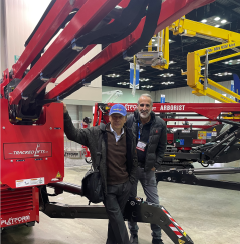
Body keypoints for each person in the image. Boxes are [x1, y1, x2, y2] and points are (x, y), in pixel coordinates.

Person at [63, 103, 138, 244]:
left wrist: (131, 181)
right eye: (114, 116)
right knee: (117, 219)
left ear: (125, 118)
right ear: (109, 118)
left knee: (116, 219)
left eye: (119, 117)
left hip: (124, 186)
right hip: (107, 187)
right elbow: (73, 134)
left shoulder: (130, 136)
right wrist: (65, 114)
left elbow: (134, 160)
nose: (116, 119)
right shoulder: (96, 133)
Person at [126, 94, 167, 244]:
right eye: (141, 105)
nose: (144, 108)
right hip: (131, 170)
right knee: (131, 202)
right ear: (137, 106)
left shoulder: (160, 123)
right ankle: (134, 234)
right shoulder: (129, 120)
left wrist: (157, 164)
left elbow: (162, 147)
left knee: (154, 204)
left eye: (147, 105)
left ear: (152, 107)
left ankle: (157, 237)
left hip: (148, 170)